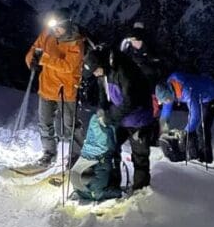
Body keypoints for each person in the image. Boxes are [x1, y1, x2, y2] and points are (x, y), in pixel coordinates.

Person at [88, 44, 155, 191]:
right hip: (121, 117)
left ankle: (140, 191)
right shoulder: (103, 72)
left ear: (102, 63)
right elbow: (102, 95)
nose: (95, 74)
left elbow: (130, 101)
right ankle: (112, 184)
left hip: (139, 118)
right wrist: (102, 110)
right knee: (111, 147)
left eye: (96, 70)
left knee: (140, 156)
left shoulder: (123, 69)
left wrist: (110, 116)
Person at [24, 11, 85, 169]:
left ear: (66, 26)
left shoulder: (76, 42)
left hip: (66, 91)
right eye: (54, 27)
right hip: (46, 88)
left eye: (59, 28)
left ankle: (75, 154)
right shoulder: (47, 34)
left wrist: (44, 59)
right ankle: (49, 153)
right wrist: (31, 60)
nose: (55, 31)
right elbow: (35, 48)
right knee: (45, 123)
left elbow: (68, 67)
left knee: (71, 126)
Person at [155, 72, 214, 164]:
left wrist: (185, 132)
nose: (167, 102)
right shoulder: (169, 89)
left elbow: (195, 115)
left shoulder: (187, 90)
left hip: (210, 95)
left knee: (201, 128)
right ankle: (194, 154)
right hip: (197, 96)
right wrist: (163, 131)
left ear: (170, 92)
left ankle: (205, 158)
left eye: (167, 99)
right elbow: (166, 112)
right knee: (191, 129)